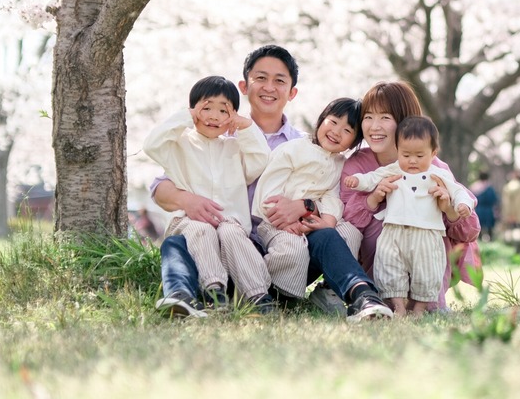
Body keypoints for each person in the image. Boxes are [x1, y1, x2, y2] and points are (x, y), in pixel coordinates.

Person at [150, 45, 391, 321]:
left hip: (289, 249)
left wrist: (304, 206)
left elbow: (330, 194)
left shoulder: (307, 145)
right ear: (244, 86)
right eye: (260, 78)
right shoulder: (214, 136)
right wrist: (187, 200)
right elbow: (161, 186)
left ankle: (358, 295)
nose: (269, 87)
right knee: (177, 242)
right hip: (227, 245)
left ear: (292, 92)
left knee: (330, 235)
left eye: (280, 81)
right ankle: (183, 298)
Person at [339, 80, 481, 313]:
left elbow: (468, 232)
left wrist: (448, 209)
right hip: (378, 259)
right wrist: (373, 198)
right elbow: (348, 224)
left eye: (385, 117)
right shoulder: (357, 165)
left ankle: (425, 299)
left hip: (424, 254)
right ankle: (367, 294)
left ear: (405, 120)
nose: (374, 126)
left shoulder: (433, 167)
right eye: (368, 117)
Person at [143, 75, 274, 312]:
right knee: (201, 229)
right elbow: (151, 144)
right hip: (188, 222)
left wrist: (246, 127)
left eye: (224, 111)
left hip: (229, 221)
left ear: (233, 115)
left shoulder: (234, 148)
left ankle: (258, 296)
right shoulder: (179, 144)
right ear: (193, 110)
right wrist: (186, 117)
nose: (214, 116)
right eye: (206, 108)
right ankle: (215, 291)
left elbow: (261, 160)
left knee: (232, 232)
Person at [252, 97, 391, 318]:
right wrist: (291, 222)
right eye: (333, 122)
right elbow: (268, 191)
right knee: (292, 248)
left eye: (347, 130)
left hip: (313, 224)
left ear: (354, 142)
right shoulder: (293, 149)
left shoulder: (340, 164)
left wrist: (327, 221)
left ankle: (331, 290)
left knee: (350, 233)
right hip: (277, 224)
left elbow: (332, 197)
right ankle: (281, 295)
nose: (336, 132)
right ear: (321, 119)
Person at [471, 171, 499, 241]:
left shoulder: (474, 187)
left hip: (478, 209)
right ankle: (491, 241)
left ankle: (479, 240)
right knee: (489, 227)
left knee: (478, 226)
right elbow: (494, 199)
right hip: (488, 210)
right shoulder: (489, 188)